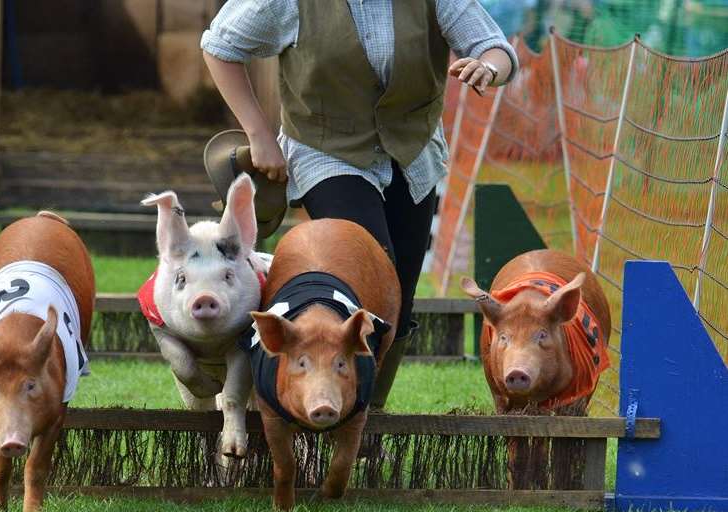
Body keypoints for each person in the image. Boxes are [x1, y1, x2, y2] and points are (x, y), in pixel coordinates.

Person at [201, 0, 518, 411]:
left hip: (411, 152)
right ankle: (319, 405)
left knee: (399, 296)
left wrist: (488, 68)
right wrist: (259, 135)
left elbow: (495, 47)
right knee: (372, 271)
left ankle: (368, 412)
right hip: (327, 150)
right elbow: (219, 47)